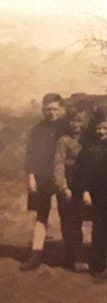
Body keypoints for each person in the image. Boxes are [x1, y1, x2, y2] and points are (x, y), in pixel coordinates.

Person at [21, 93, 66, 271]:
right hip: (42, 176)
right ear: (42, 110)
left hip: (62, 177)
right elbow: (30, 155)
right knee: (41, 215)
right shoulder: (37, 129)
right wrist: (31, 176)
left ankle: (70, 254)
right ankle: (36, 253)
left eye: (55, 109)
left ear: (61, 109)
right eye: (48, 110)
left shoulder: (67, 127)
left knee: (68, 215)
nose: (51, 113)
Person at [78, 111, 107, 279]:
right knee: (98, 229)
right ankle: (99, 263)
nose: (102, 132)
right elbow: (82, 172)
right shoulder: (89, 147)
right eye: (99, 128)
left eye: (105, 128)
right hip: (96, 193)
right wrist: (85, 191)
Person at [53, 108, 88, 272]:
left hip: (83, 184)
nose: (76, 125)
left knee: (79, 220)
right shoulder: (63, 141)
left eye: (80, 121)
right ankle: (72, 256)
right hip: (69, 183)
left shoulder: (88, 140)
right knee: (68, 221)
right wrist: (63, 186)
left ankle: (80, 255)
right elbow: (58, 165)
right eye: (73, 121)